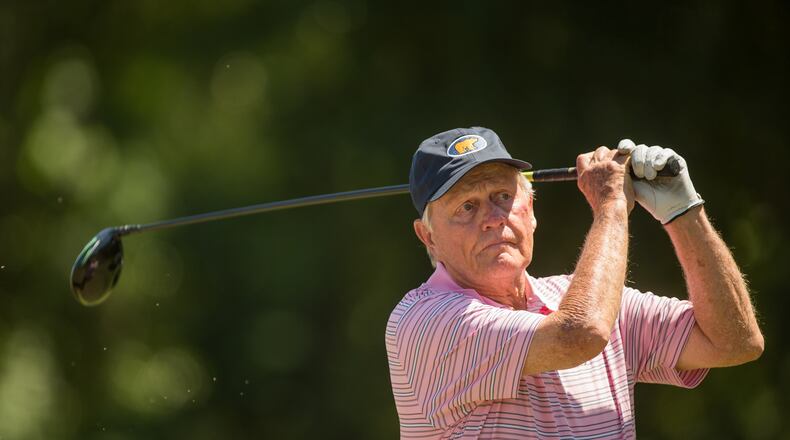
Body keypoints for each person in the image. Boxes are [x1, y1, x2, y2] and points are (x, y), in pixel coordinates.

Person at [385, 127, 763, 439]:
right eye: (467, 206)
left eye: (503, 196)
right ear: (428, 237)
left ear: (530, 211)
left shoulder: (586, 297)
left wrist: (684, 212)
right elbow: (580, 333)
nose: (492, 218)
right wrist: (612, 205)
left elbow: (734, 341)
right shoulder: (422, 320)